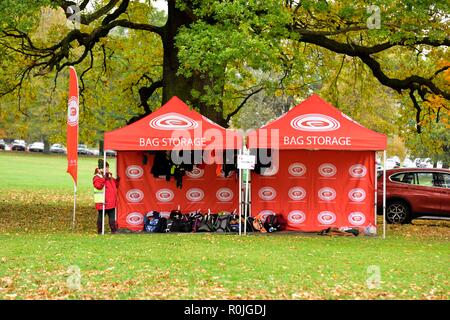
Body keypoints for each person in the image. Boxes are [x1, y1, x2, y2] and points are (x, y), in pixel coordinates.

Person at [93, 159, 120, 234]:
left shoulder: (109, 176)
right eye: (106, 167)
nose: (107, 169)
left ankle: (113, 231)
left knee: (112, 218)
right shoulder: (97, 177)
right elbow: (98, 186)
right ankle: (100, 231)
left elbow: (116, 186)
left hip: (111, 202)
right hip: (103, 202)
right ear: (100, 169)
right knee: (101, 217)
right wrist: (103, 179)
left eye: (108, 167)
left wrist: (117, 180)